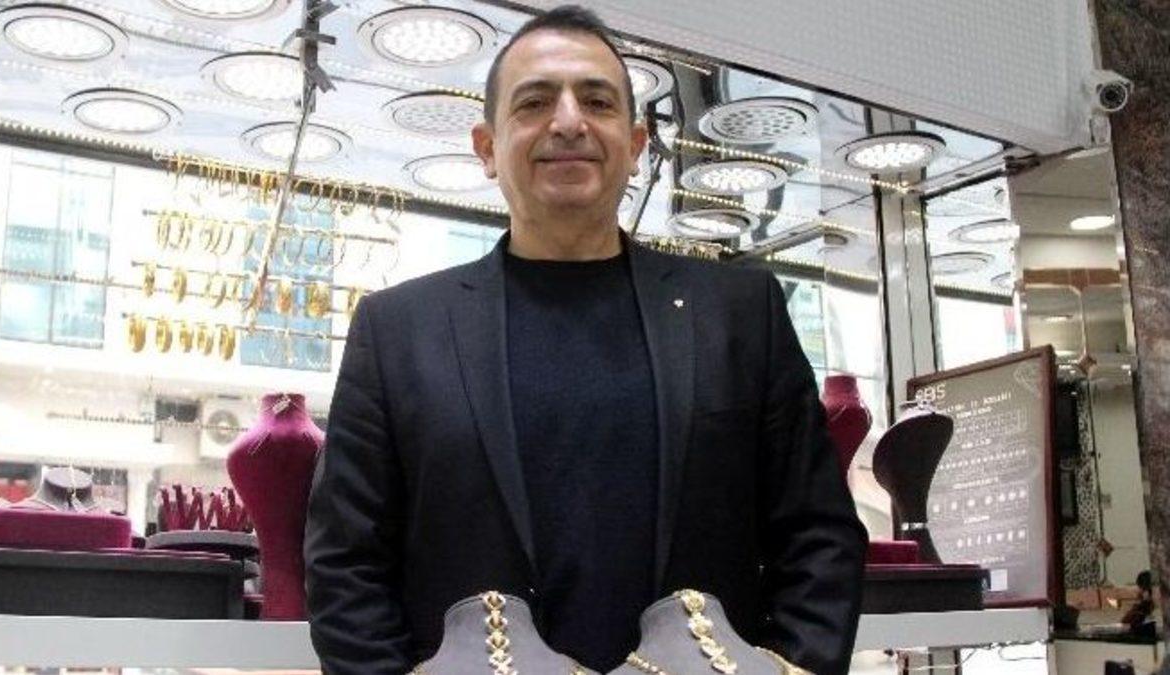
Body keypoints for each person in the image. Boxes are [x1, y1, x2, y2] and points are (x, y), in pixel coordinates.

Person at [304, 5, 867, 674]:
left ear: (634, 145)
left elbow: (818, 537)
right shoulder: (398, 329)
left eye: (597, 102)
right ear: (487, 148)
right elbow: (345, 562)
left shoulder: (741, 314)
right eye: (534, 102)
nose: (568, 121)